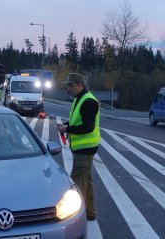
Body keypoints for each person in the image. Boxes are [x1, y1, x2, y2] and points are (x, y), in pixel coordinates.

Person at [57, 73, 100, 221]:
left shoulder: (88, 101)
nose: (68, 88)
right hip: (83, 148)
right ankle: (89, 212)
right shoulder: (80, 98)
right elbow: (79, 122)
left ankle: (75, 218)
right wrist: (67, 125)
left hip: (85, 149)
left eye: (71, 85)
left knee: (77, 184)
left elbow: (88, 127)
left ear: (80, 84)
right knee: (85, 182)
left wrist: (67, 129)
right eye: (67, 85)